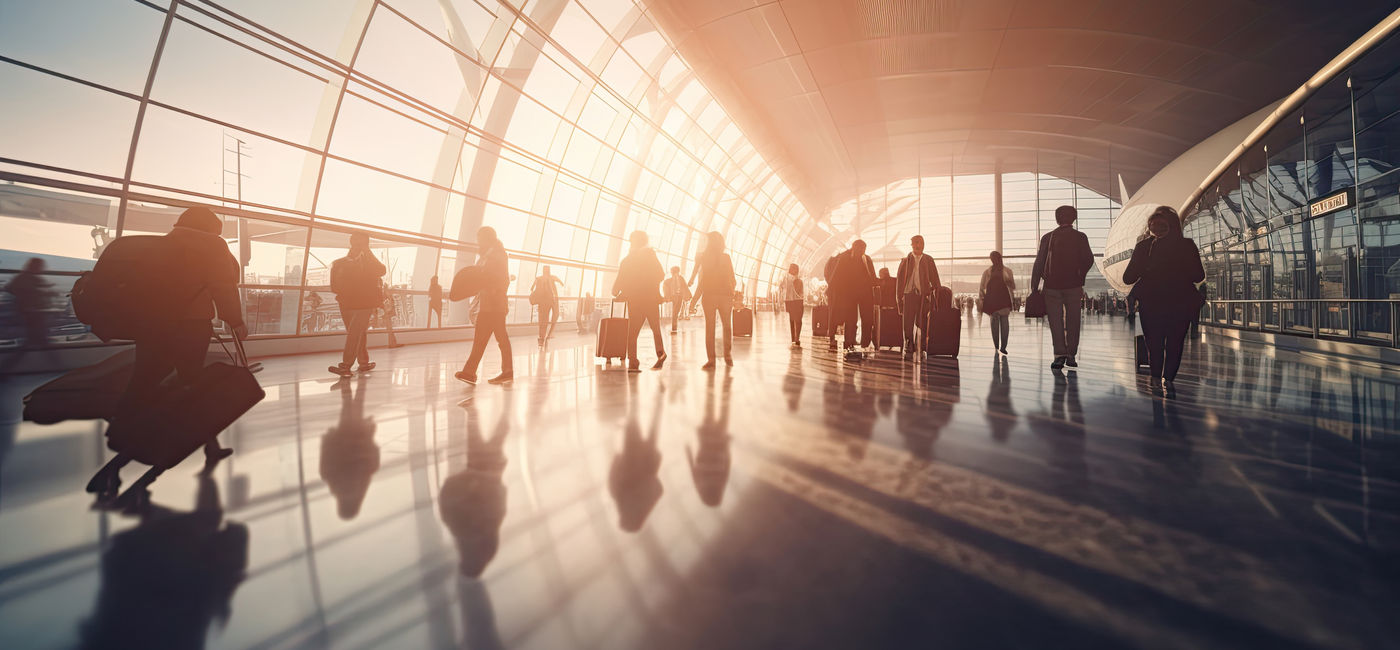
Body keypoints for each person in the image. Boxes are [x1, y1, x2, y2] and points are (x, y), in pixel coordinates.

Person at [86, 207, 245, 499]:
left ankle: (124, 431)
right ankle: (198, 444)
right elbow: (224, 287)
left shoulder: (158, 246)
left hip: (152, 324)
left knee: (144, 378)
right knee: (193, 386)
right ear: (211, 229)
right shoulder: (211, 246)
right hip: (190, 327)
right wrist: (235, 321)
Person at [1122, 206, 1205, 391]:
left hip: (1151, 301)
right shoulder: (1187, 245)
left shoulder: (1144, 247)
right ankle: (1168, 378)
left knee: (1154, 342)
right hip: (1181, 301)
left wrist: (1145, 263)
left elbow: (1128, 278)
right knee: (1175, 342)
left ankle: (1154, 377)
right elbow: (1198, 276)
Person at [1030, 205, 1095, 370]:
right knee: (1073, 320)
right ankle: (1071, 354)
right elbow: (1088, 259)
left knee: (1055, 322)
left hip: (1052, 286)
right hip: (1073, 285)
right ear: (1074, 218)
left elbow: (1039, 262)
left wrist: (1034, 285)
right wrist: (1080, 276)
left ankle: (1059, 355)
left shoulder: (1048, 237)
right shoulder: (1081, 237)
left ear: (1057, 218)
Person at [456, 226, 513, 385]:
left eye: (480, 238)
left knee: (498, 338)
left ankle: (504, 371)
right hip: (489, 304)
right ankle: (470, 372)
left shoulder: (497, 255)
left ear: (487, 238)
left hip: (494, 304)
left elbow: (501, 279)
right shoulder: (489, 255)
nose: (478, 241)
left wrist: (494, 291)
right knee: (485, 339)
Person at [329, 232, 386, 377]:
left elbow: (382, 270)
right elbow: (334, 287)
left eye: (363, 242)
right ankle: (363, 362)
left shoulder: (368, 263)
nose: (359, 245)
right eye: (357, 241)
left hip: (363, 304)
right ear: (351, 241)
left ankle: (345, 366)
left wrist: (367, 252)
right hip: (346, 304)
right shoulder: (339, 263)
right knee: (358, 334)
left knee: (354, 334)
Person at [612, 231, 667, 372]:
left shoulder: (627, 260)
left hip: (635, 301)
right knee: (655, 328)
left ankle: (633, 363)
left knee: (633, 333)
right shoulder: (650, 255)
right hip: (650, 299)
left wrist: (620, 290)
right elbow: (661, 274)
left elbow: (617, 286)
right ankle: (660, 354)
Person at [691, 231, 736, 369]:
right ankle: (728, 356)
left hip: (709, 296)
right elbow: (732, 278)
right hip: (725, 296)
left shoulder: (704, 257)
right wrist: (732, 292)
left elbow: (703, 281)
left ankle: (711, 360)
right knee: (727, 326)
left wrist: (694, 300)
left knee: (709, 328)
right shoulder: (726, 258)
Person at [896, 235, 940, 359]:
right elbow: (899, 283)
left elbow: (935, 279)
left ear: (923, 244)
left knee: (923, 323)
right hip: (909, 295)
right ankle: (908, 347)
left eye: (919, 242)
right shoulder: (905, 261)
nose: (917, 245)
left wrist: (937, 296)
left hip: (923, 296)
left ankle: (921, 348)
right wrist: (899, 300)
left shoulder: (928, 260)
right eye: (915, 243)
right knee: (907, 323)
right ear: (912, 245)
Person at [833, 239, 877, 361]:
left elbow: (872, 276)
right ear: (853, 248)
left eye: (863, 250)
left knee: (867, 320)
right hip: (849, 294)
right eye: (859, 249)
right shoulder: (844, 258)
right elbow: (837, 276)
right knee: (850, 321)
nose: (861, 252)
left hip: (865, 294)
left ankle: (865, 345)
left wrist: (879, 283)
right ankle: (849, 346)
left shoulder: (866, 259)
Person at [980, 251, 1016, 355]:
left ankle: (998, 346)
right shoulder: (1005, 271)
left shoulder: (988, 272)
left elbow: (982, 287)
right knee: (1002, 323)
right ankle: (1001, 346)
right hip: (1000, 300)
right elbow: (1012, 286)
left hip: (995, 300)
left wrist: (983, 299)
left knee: (996, 324)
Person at [531, 265, 564, 346]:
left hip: (542, 302)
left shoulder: (538, 278)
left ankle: (541, 338)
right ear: (549, 270)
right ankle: (549, 334)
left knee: (543, 320)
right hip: (552, 300)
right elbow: (561, 283)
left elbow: (531, 288)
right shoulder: (553, 277)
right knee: (555, 315)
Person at [779, 263, 804, 347]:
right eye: (795, 269)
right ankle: (796, 338)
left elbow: (781, 287)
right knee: (798, 320)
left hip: (789, 301)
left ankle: (794, 338)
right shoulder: (795, 280)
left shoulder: (785, 279)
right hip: (797, 301)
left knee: (792, 319)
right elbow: (799, 290)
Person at [663, 266, 691, 333]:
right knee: (675, 312)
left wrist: (667, 296)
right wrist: (688, 295)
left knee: (675, 312)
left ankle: (674, 327)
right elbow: (685, 286)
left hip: (675, 296)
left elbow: (684, 286)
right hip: (678, 296)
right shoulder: (680, 278)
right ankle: (674, 327)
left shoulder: (670, 280)